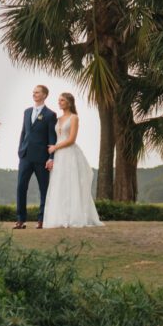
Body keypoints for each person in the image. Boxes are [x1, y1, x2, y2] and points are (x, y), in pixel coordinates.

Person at [42, 92, 103, 228]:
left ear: (69, 102)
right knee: (59, 184)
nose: (59, 102)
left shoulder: (74, 118)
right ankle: (60, 216)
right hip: (58, 156)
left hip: (69, 153)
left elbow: (71, 139)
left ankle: (74, 216)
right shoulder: (57, 119)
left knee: (72, 183)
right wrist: (52, 155)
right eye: (59, 100)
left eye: (62, 100)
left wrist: (55, 147)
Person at [14, 84, 58, 229]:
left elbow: (52, 137)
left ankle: (42, 220)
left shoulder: (50, 115)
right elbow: (23, 132)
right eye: (33, 92)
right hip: (25, 156)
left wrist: (51, 157)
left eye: (37, 92)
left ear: (44, 95)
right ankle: (21, 220)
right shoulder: (27, 112)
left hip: (41, 158)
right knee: (21, 187)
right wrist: (20, 150)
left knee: (44, 189)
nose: (34, 94)